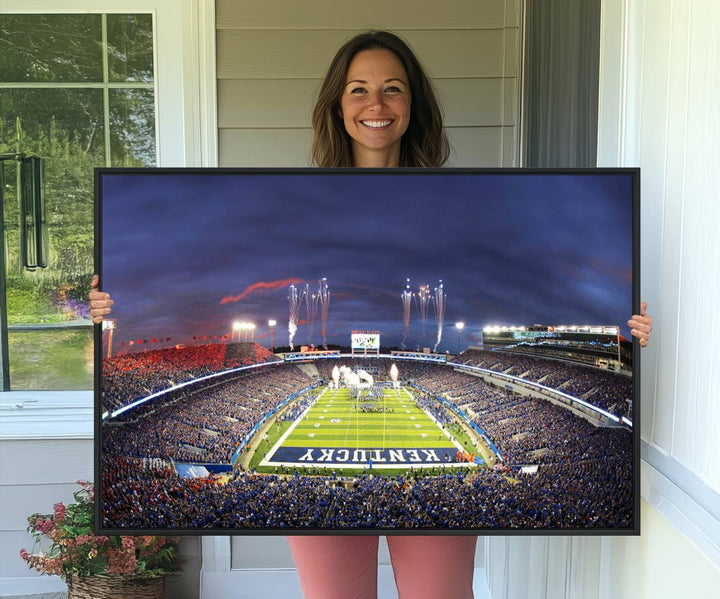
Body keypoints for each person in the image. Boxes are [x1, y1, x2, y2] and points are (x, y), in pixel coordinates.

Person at [89, 30, 653, 599]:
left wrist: (621, 333)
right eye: (358, 90)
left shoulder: (457, 203)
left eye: (392, 89)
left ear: (413, 105)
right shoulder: (294, 204)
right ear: (338, 104)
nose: (376, 105)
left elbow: (528, 284)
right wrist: (113, 306)